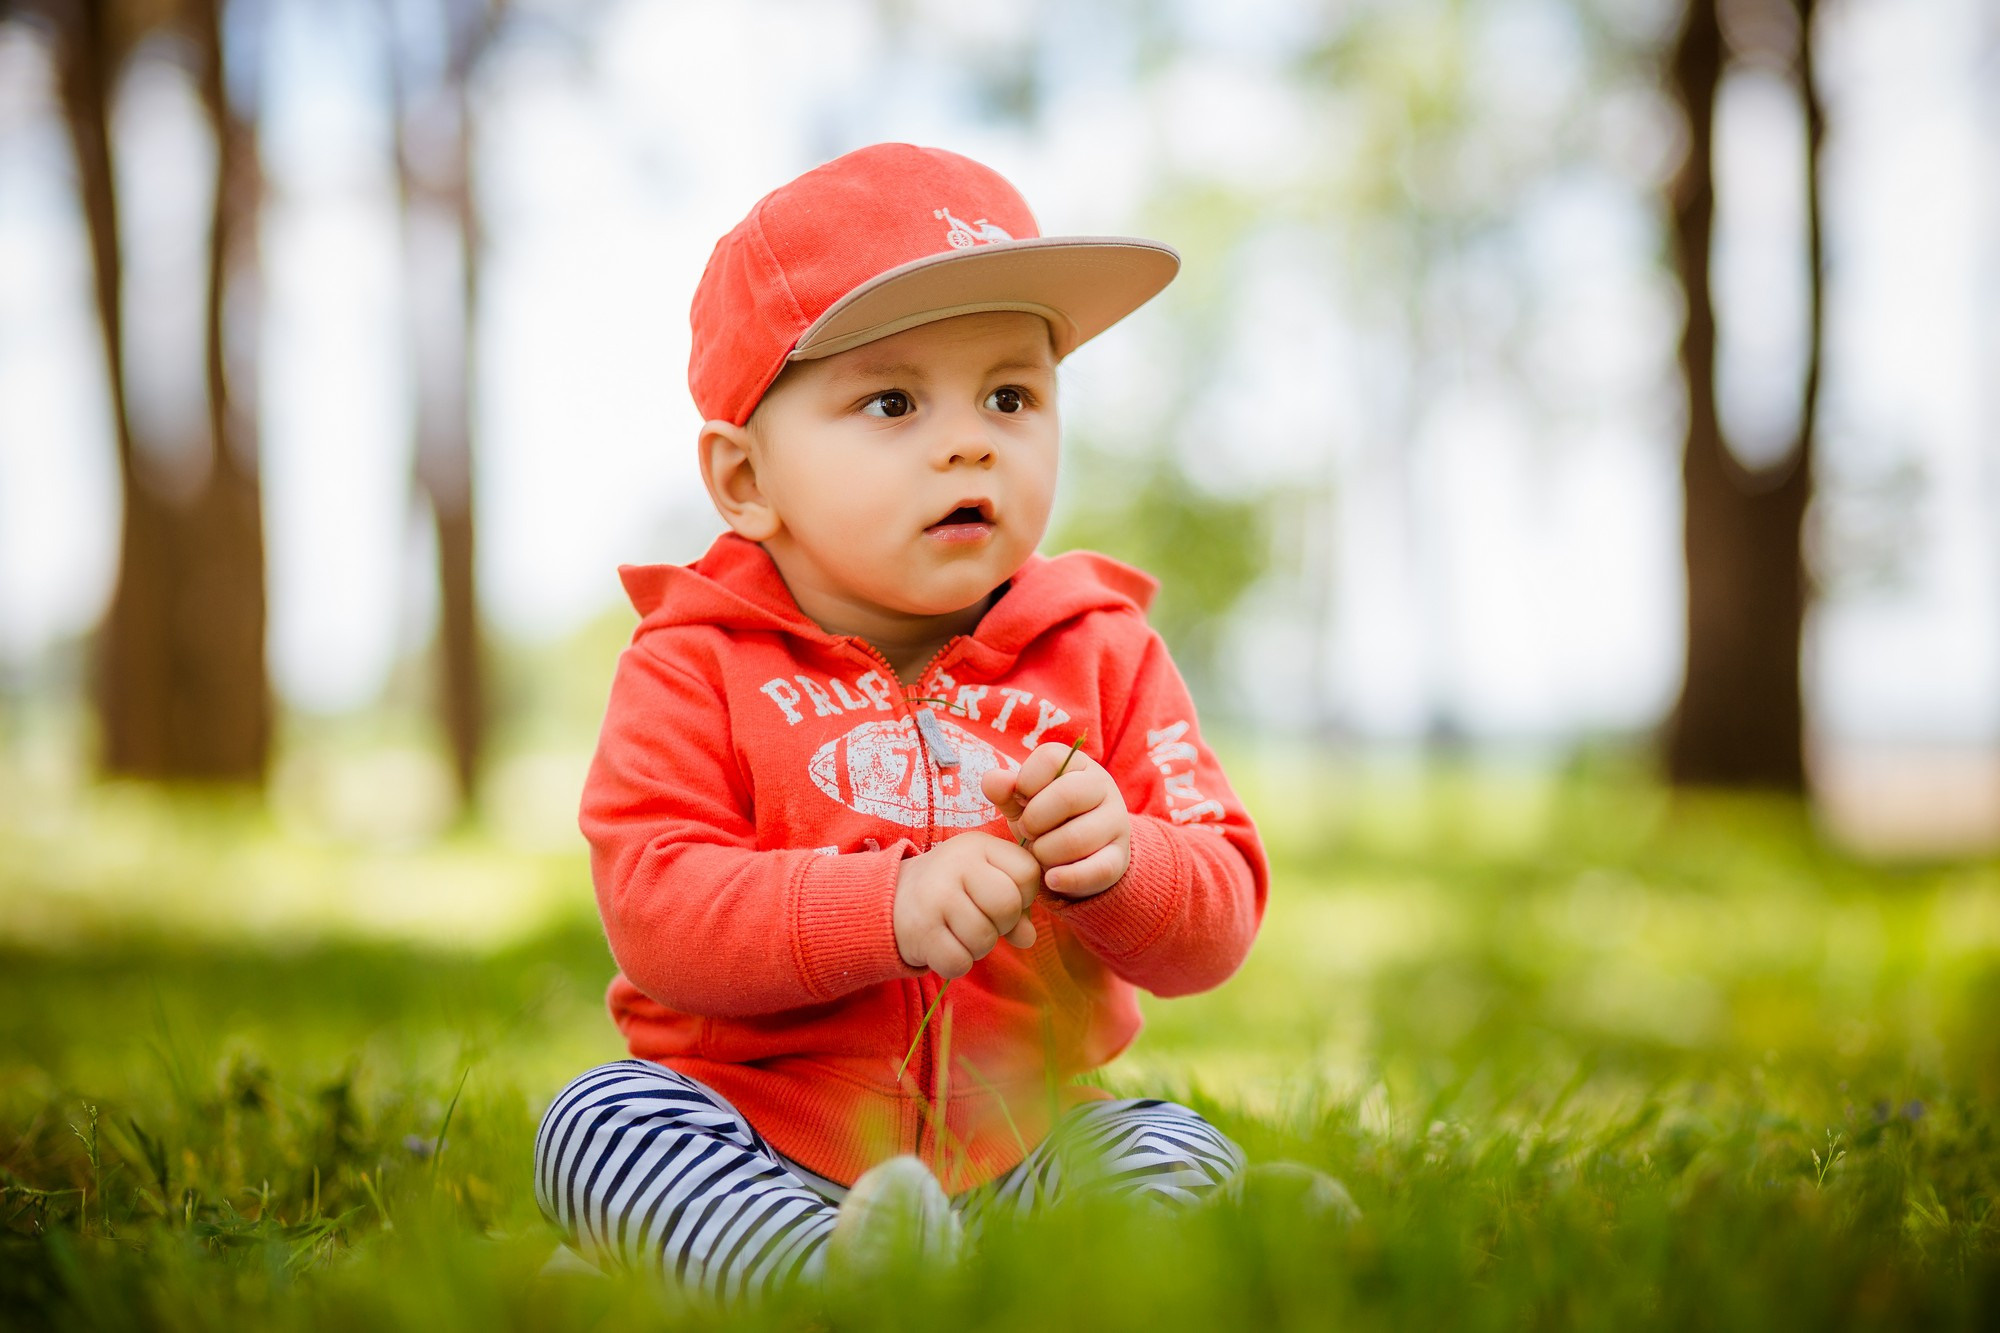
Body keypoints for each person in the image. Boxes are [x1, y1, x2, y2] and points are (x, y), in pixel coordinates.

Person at [533, 142, 1270, 1301]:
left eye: (1011, 394)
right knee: (600, 1119)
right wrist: (882, 906)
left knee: (1162, 1139)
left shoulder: (1103, 649)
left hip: (1018, 1147)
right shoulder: (694, 659)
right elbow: (657, 909)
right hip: (755, 1135)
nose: (971, 439)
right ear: (742, 480)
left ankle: (1128, 1253)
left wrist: (1123, 857)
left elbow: (1218, 912)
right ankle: (814, 1272)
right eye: (891, 399)